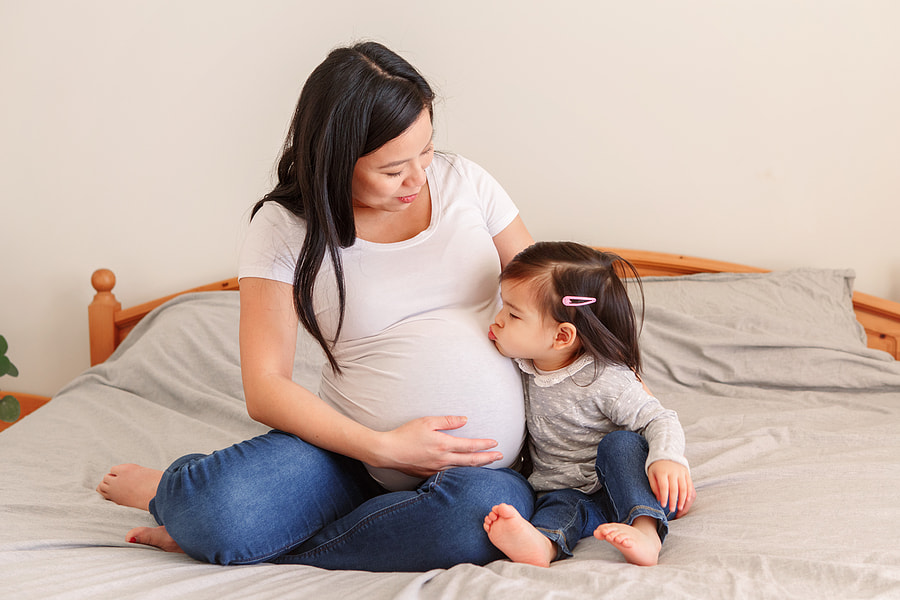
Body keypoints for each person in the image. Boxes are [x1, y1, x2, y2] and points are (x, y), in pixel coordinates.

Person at [96, 41, 536, 572]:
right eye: (394, 168)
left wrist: (644, 416)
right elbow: (266, 387)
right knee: (217, 511)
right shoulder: (285, 229)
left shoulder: (467, 182)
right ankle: (172, 493)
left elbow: (558, 304)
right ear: (335, 158)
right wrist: (382, 448)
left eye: (426, 150)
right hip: (349, 456)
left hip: (483, 471)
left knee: (478, 518)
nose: (419, 178)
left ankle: (269, 542)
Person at [482, 241, 696, 567]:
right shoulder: (523, 364)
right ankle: (544, 545)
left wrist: (667, 459)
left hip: (628, 485)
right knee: (559, 507)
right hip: (566, 489)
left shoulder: (606, 379)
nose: (498, 320)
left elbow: (659, 418)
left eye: (512, 314)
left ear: (562, 337)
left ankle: (646, 532)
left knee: (621, 444)